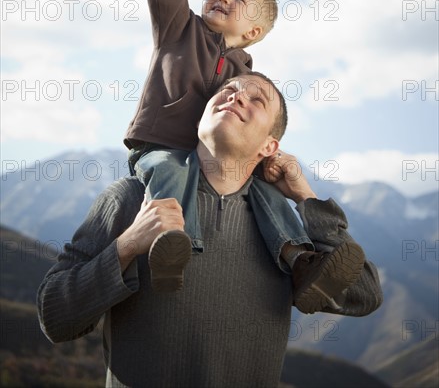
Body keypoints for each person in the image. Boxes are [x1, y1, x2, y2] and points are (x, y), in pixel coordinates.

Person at [37, 72, 383, 388]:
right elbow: (54, 318)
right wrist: (125, 246)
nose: (236, 97)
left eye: (256, 98)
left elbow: (365, 293)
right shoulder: (130, 199)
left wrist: (305, 198)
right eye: (228, 90)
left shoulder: (288, 234)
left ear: (269, 147)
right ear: (202, 116)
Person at [122, 0, 360, 297]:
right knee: (169, 168)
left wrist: (269, 160)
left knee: (261, 190)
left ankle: (300, 261)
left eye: (238, 0)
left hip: (208, 159)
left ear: (252, 33)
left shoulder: (244, 77)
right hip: (159, 145)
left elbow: (250, 125)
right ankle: (171, 244)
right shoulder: (178, 28)